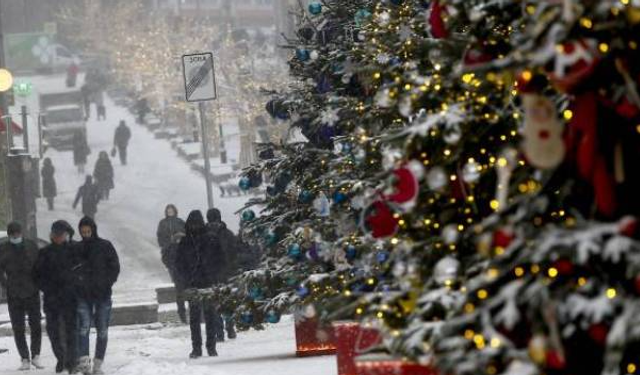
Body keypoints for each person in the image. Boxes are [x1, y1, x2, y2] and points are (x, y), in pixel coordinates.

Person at [176, 210, 225, 358]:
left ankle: (210, 346)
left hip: (206, 282)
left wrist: (214, 274)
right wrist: (185, 278)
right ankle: (198, 347)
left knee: (208, 316)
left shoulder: (210, 239)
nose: (195, 227)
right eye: (193, 224)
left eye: (197, 223)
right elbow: (179, 263)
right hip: (193, 283)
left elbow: (220, 259)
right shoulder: (186, 242)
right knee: (197, 317)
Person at [33, 221, 80, 374]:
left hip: (70, 297)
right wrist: (47, 288)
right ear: (52, 235)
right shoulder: (44, 253)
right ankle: (61, 358)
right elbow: (36, 275)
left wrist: (76, 284)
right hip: (52, 299)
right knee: (53, 331)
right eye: (56, 235)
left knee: (71, 331)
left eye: (62, 235)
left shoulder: (74, 250)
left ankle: (72, 361)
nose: (59, 237)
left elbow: (83, 271)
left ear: (67, 235)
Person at [75, 217, 120, 375]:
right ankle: (84, 362)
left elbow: (114, 266)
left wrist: (107, 282)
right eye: (83, 232)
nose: (86, 234)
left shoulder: (105, 246)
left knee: (102, 330)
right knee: (83, 328)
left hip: (103, 294)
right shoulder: (77, 248)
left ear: (93, 229)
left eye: (88, 231)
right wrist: (78, 283)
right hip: (82, 295)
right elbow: (72, 269)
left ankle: (98, 364)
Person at [0, 222, 43, 371]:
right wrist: (6, 285)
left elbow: (40, 266)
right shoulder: (3, 249)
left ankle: (36, 354)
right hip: (14, 294)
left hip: (32, 292)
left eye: (17, 234)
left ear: (21, 233)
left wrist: (38, 284)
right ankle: (24, 357)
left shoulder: (31, 246)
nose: (15, 237)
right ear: (9, 235)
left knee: (36, 325)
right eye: (13, 235)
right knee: (18, 328)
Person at [205, 208, 238, 341]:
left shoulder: (204, 234)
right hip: (225, 272)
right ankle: (229, 328)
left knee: (216, 303)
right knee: (227, 301)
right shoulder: (227, 233)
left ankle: (221, 332)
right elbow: (234, 253)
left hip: (212, 273)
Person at [156, 204, 187, 323]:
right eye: (168, 210)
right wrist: (167, 243)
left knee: (183, 287)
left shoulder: (180, 222)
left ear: (175, 211)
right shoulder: (162, 223)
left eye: (171, 210)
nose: (170, 211)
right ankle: (182, 313)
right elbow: (160, 238)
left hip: (182, 257)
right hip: (170, 256)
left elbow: (187, 234)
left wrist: (181, 239)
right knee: (179, 286)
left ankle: (185, 312)